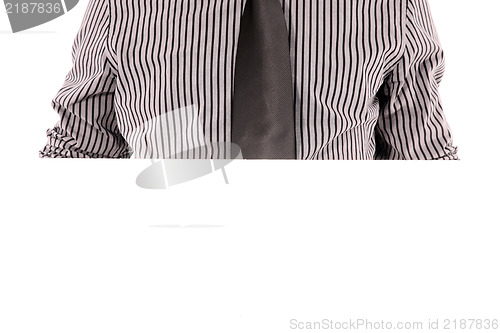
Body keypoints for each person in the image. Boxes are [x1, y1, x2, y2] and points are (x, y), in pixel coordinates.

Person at [39, 0, 459, 160]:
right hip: (167, 274)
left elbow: (422, 159)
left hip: (337, 271)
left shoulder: (388, 6)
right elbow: (81, 147)